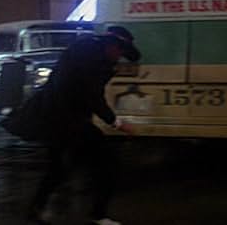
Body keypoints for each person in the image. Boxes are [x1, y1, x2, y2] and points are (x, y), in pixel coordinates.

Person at [27, 25, 141, 225]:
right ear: (112, 46)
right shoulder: (95, 60)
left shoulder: (83, 49)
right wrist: (116, 122)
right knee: (109, 165)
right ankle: (98, 216)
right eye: (120, 53)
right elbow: (93, 96)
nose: (119, 58)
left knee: (58, 168)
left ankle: (36, 210)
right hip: (70, 120)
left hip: (52, 115)